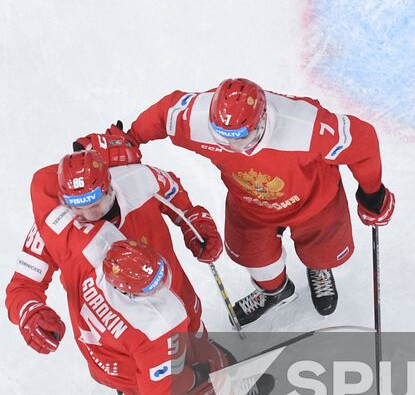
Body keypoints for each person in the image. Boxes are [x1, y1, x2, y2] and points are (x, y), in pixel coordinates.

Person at [4, 145, 240, 395]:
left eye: (96, 202)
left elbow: (170, 188)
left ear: (109, 185)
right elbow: (21, 287)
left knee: (194, 345)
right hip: (117, 340)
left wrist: (192, 219)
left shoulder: (135, 180)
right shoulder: (56, 228)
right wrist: (30, 313)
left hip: (171, 294)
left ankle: (213, 388)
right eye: (76, 206)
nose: (87, 214)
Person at [127, 79, 395, 323]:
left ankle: (319, 269)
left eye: (243, 138)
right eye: (224, 139)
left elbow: (363, 143)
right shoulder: (196, 117)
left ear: (262, 120)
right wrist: (128, 140)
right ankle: (275, 292)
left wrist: (372, 193)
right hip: (250, 206)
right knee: (256, 258)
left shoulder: (305, 126)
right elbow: (164, 114)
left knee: (322, 251)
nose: (234, 147)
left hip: (314, 201)